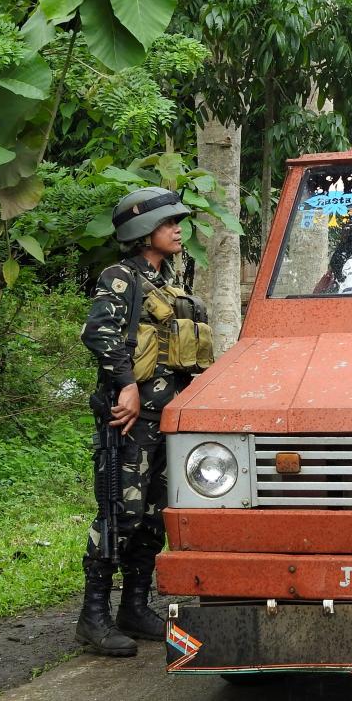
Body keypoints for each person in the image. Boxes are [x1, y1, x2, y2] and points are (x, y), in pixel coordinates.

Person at [77, 187, 209, 656]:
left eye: (178, 220)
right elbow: (98, 333)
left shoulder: (169, 281)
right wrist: (126, 384)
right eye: (168, 222)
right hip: (130, 422)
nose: (177, 228)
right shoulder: (121, 277)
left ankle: (133, 607)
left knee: (154, 519)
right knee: (120, 516)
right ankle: (93, 618)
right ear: (141, 232)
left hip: (166, 423)